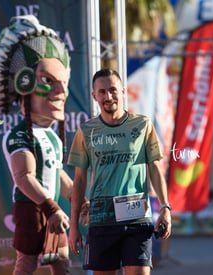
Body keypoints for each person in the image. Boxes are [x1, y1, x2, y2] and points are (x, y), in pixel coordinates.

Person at [0, 15, 77, 275]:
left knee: (61, 262)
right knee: (27, 262)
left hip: (50, 210)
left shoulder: (50, 135)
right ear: (24, 82)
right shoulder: (19, 135)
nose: (61, 91)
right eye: (48, 81)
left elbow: (56, 172)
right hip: (32, 210)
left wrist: (77, 200)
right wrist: (51, 208)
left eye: (64, 83)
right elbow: (24, 177)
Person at [68, 69, 172, 275]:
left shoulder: (142, 125)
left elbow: (155, 168)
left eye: (113, 90)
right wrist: (73, 226)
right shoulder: (86, 131)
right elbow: (79, 181)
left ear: (123, 91)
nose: (108, 96)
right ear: (94, 96)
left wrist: (165, 207)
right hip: (101, 220)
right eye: (102, 91)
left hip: (137, 219)